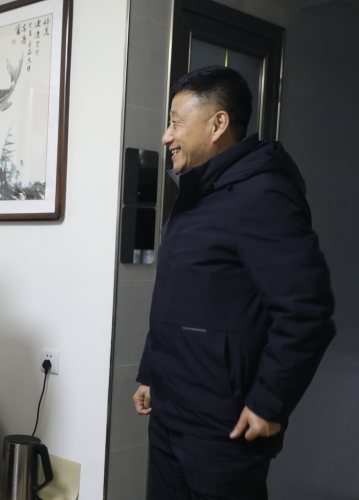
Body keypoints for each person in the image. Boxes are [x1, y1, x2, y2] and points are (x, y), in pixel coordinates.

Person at [132, 65, 335, 500]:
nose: (166, 136)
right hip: (171, 415)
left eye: (176, 122)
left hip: (223, 430)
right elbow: (176, 298)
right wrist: (152, 372)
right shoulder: (193, 196)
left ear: (218, 123)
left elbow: (306, 312)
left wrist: (269, 402)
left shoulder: (263, 196)